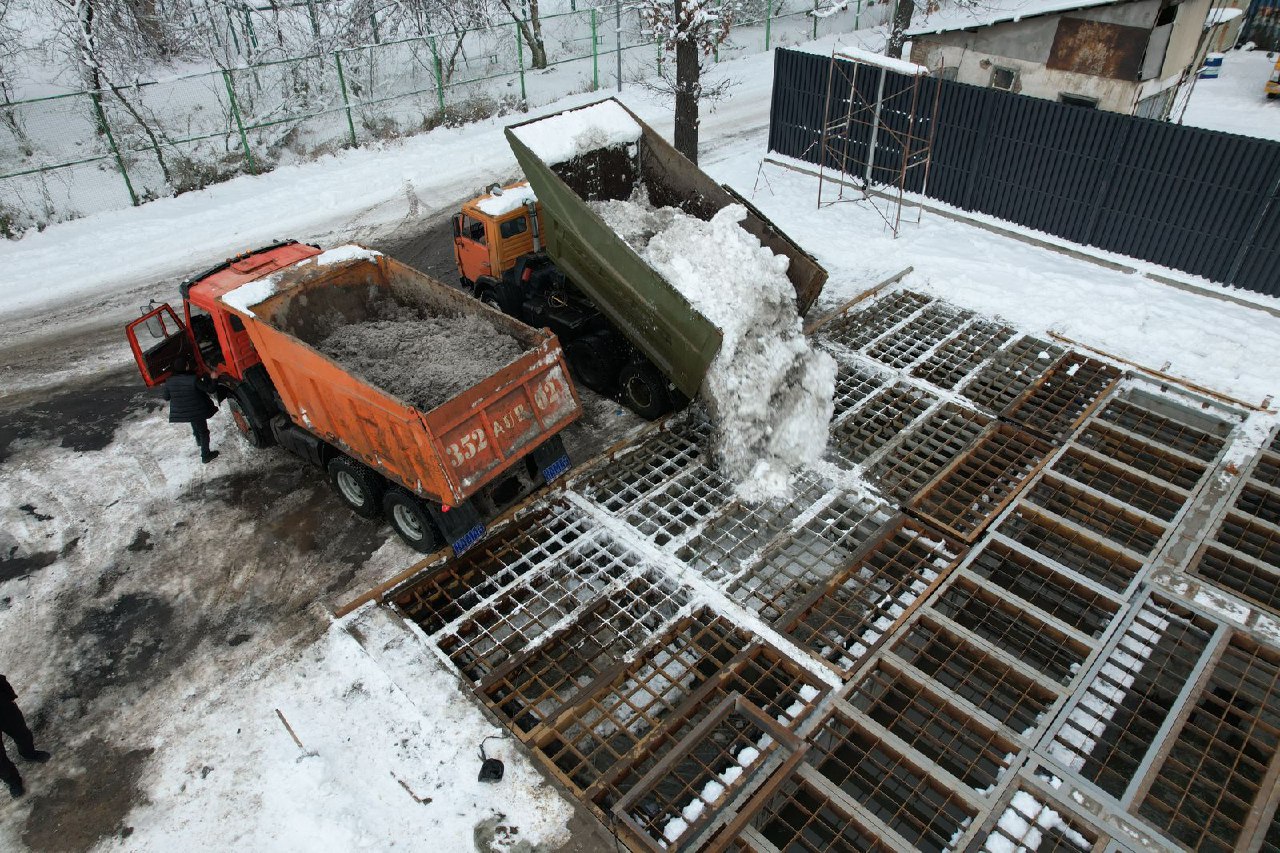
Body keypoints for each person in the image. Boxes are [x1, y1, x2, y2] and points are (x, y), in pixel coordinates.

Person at [0, 675, 50, 799]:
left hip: (3, 708)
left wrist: (9, 696)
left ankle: (29, 753)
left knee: (22, 733)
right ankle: (13, 781)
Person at [163, 356, 220, 463]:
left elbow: (166, 397)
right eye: (187, 364)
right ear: (186, 367)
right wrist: (214, 378)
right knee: (204, 431)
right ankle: (205, 455)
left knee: (194, 422)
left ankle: (199, 441)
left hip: (183, 410)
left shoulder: (169, 381)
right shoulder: (193, 379)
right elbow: (210, 390)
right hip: (196, 409)